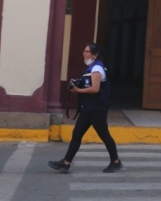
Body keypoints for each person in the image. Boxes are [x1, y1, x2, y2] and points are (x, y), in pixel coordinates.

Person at [48, 43, 122, 174]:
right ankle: (66, 163)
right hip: (88, 108)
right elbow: (87, 83)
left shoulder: (97, 69)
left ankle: (115, 162)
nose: (84, 54)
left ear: (95, 55)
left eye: (87, 52)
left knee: (104, 135)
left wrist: (78, 90)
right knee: (77, 134)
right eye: (84, 51)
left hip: (97, 108)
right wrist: (77, 83)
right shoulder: (89, 69)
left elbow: (95, 89)